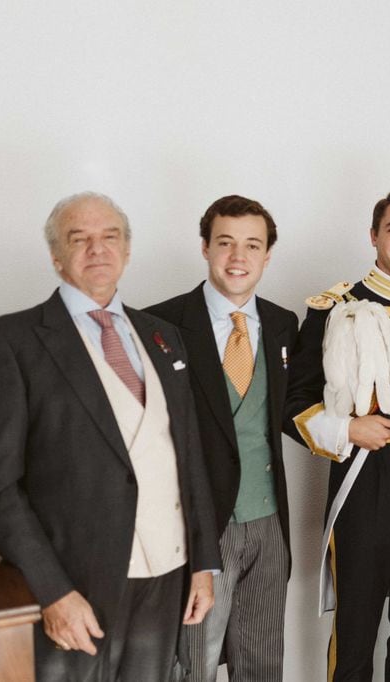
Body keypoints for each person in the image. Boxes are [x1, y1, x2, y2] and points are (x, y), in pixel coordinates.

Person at [0, 192, 221, 681]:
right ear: (56, 256)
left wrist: (204, 563)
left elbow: (188, 456)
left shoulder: (163, 336)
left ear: (127, 249)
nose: (97, 249)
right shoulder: (7, 343)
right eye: (79, 239)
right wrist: (53, 591)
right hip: (75, 585)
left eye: (110, 237)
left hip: (168, 573)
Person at [284, 190, 390, 681]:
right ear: (374, 235)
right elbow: (293, 403)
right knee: (357, 629)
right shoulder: (335, 307)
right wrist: (348, 429)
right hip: (365, 478)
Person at [146, 195, 297, 680]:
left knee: (263, 664)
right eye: (225, 242)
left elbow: (290, 411)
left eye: (252, 245)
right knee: (194, 664)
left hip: (269, 523)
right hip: (200, 527)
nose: (238, 256)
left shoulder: (282, 324)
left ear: (267, 255)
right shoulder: (158, 325)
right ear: (205, 247)